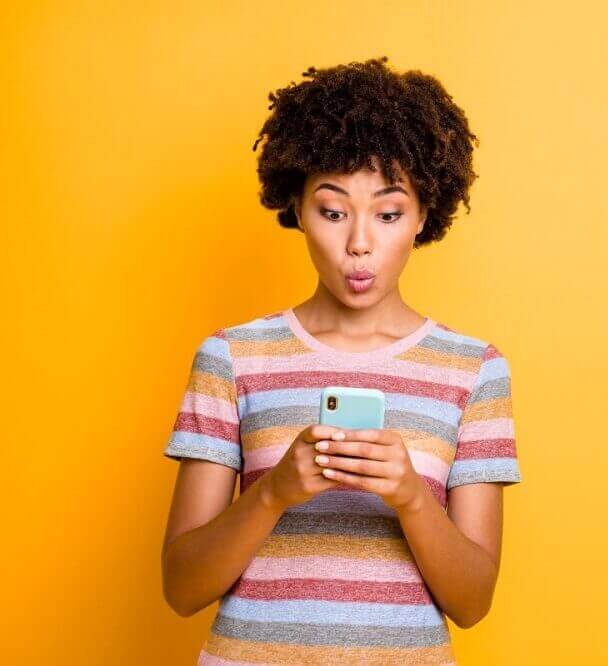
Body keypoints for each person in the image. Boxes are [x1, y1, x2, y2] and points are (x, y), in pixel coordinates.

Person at [160, 56, 522, 665]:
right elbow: (181, 587)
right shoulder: (232, 358)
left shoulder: (474, 371)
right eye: (332, 211)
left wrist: (410, 495)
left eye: (388, 213)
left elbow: (472, 600)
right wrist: (272, 493)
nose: (359, 242)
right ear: (296, 209)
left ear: (423, 216)